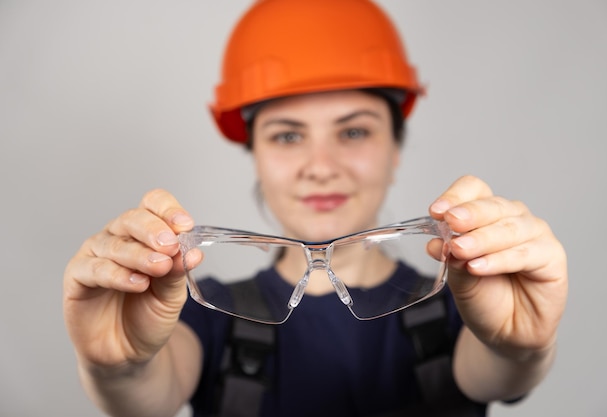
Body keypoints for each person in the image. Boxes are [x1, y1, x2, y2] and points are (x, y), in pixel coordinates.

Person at [62, 1, 568, 416]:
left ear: (395, 149)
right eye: (287, 135)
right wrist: (117, 368)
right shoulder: (202, 313)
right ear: (256, 156)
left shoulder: (465, 303)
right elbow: (148, 392)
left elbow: (500, 366)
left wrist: (522, 347)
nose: (320, 166)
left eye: (353, 131)